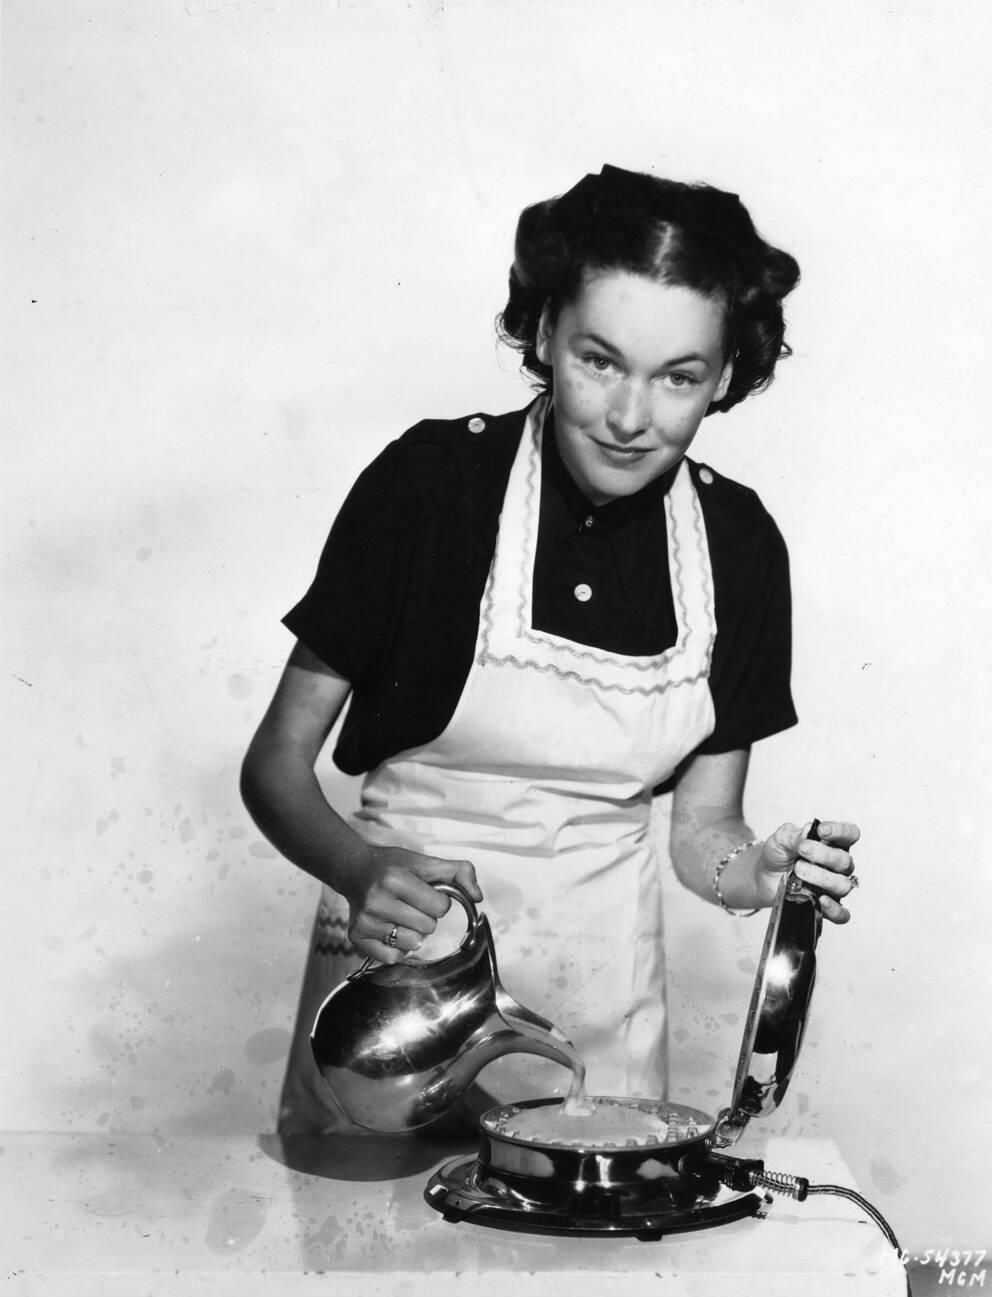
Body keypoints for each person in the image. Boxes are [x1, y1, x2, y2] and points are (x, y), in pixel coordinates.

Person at [241, 164, 860, 1135]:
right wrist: (359, 868)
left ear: (724, 376)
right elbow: (275, 765)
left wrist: (762, 876)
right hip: (397, 998)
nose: (628, 416)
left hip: (597, 1020)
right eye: (598, 360)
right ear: (541, 336)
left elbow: (705, 833)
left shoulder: (738, 546)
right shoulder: (429, 487)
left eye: (677, 377)